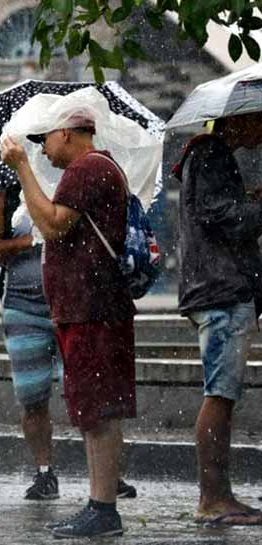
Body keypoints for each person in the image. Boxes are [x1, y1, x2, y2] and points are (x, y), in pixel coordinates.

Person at [0, 113, 136, 539]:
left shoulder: (87, 168)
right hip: (89, 307)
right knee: (92, 410)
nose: (42, 149)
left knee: (97, 411)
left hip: (92, 308)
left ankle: (103, 508)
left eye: (45, 140)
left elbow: (53, 223)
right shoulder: (97, 168)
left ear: (66, 133)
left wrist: (22, 167)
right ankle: (100, 505)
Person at [0, 186, 139, 503]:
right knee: (31, 395)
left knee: (88, 390)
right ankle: (45, 472)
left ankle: (108, 475)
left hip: (76, 304)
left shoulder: (77, 189)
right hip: (24, 307)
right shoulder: (10, 195)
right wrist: (28, 240)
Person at [173, 112, 262, 526]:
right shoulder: (210, 153)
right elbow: (224, 218)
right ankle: (213, 498)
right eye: (260, 121)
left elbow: (223, 210)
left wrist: (249, 201)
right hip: (221, 290)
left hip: (216, 287)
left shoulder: (208, 154)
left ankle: (217, 495)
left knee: (222, 393)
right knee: (220, 394)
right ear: (240, 120)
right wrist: (255, 209)